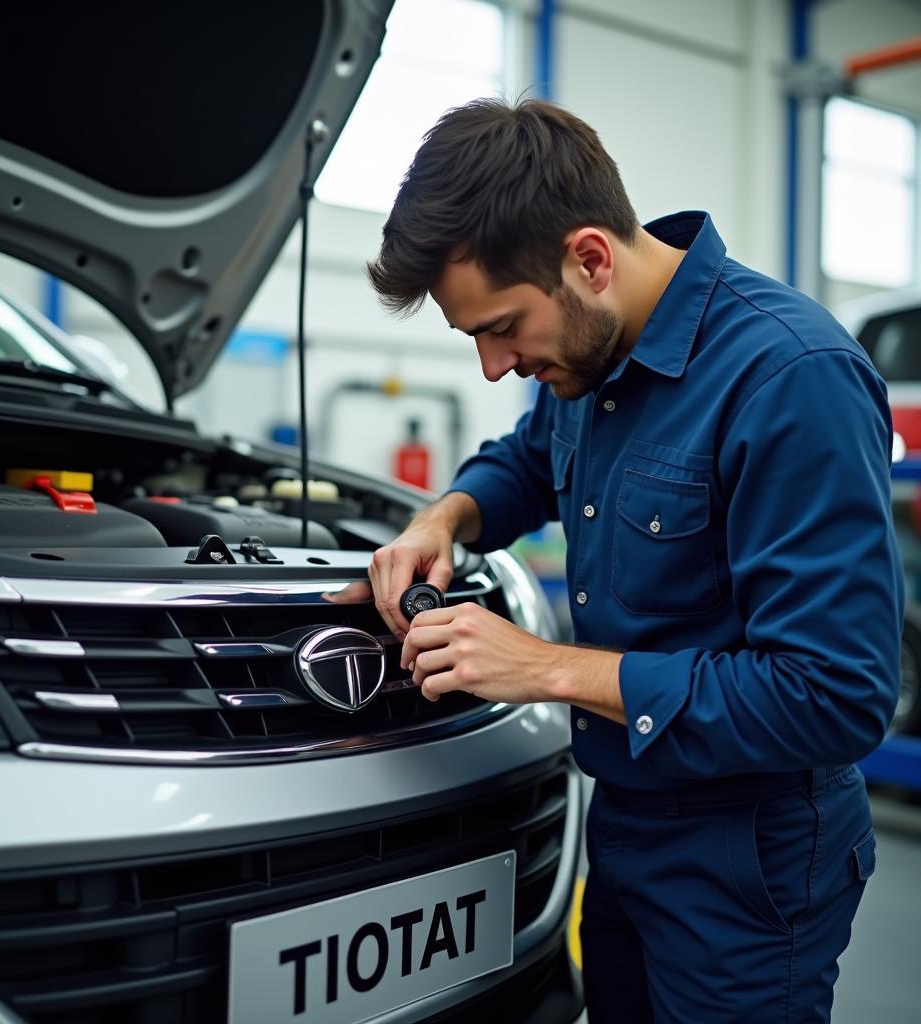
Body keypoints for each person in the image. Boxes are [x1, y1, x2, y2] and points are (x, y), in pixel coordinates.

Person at [360, 99, 903, 1023]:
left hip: (750, 861)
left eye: (501, 328)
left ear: (591, 260)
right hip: (622, 823)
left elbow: (836, 695)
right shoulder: (587, 355)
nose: (494, 366)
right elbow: (529, 457)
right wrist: (445, 518)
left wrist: (546, 669)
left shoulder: (791, 378)